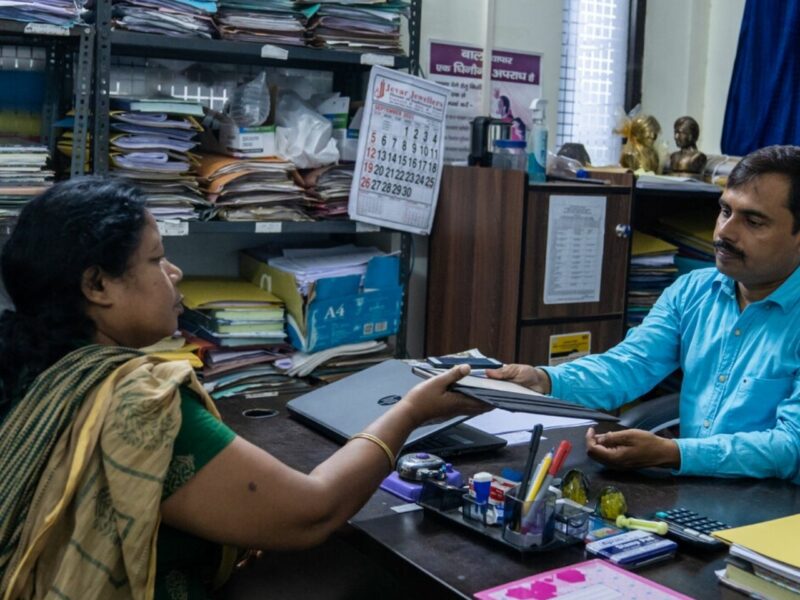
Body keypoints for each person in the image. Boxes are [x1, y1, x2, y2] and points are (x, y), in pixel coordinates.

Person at [0, 177, 488, 599]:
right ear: (97, 285)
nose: (175, 273)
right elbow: (312, 511)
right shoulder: (137, 405)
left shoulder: (36, 372)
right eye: (157, 259)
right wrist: (411, 410)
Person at [488, 145, 800, 483]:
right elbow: (630, 366)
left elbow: (791, 446)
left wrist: (675, 453)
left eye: (753, 221)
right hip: (697, 491)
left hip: (778, 513)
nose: (725, 232)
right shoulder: (694, 291)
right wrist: (545, 380)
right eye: (725, 211)